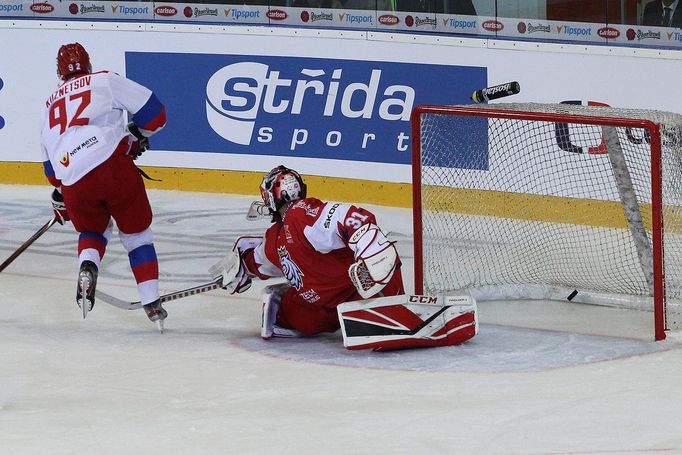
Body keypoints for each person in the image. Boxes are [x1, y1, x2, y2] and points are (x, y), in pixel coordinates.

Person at [211, 166, 478, 350]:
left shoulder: (301, 214)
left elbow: (352, 219)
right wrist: (239, 269)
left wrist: (371, 248)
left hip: (357, 291)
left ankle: (394, 306)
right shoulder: (273, 238)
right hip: (323, 305)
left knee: (382, 296)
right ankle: (282, 301)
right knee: (297, 320)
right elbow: (256, 262)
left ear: (269, 197)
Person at [40, 43, 168, 330]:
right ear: (88, 63)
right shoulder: (104, 80)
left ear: (59, 73)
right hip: (112, 167)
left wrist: (62, 198)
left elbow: (52, 172)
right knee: (137, 236)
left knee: (92, 230)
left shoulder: (48, 106)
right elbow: (156, 114)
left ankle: (88, 264)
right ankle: (151, 302)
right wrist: (136, 135)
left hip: (73, 182)